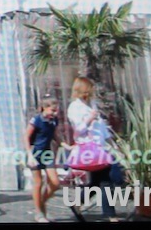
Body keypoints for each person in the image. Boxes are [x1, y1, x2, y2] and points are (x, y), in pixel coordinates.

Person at [66, 76, 117, 222]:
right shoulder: (75, 107)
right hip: (89, 149)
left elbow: (100, 127)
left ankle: (77, 203)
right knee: (106, 181)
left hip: (100, 148)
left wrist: (111, 142)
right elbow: (78, 129)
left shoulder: (90, 105)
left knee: (98, 181)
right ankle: (111, 216)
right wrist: (90, 119)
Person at [25, 96, 63, 223]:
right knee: (38, 182)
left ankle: (41, 202)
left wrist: (64, 144)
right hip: (35, 153)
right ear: (44, 108)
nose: (55, 113)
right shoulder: (36, 120)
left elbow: (55, 135)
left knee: (55, 183)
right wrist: (29, 155)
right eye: (53, 110)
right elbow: (26, 137)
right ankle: (39, 212)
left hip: (47, 153)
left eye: (56, 110)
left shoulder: (53, 120)